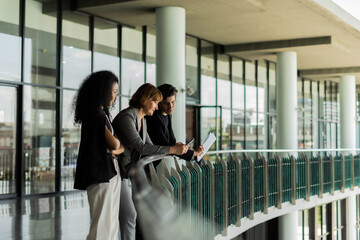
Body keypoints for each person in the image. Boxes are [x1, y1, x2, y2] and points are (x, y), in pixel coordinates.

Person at [112, 83, 189, 240]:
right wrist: (172, 150)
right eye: (155, 102)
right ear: (145, 99)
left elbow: (150, 147)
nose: (156, 106)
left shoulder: (143, 120)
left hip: (128, 173)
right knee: (128, 216)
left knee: (132, 216)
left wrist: (174, 149)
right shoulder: (128, 117)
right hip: (116, 172)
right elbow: (141, 147)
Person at [73, 70, 124, 240]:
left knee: (110, 223)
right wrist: (115, 147)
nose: (115, 96)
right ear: (103, 90)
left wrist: (115, 148)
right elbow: (116, 143)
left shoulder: (103, 114)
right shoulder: (95, 115)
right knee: (102, 225)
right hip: (101, 174)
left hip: (109, 172)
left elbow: (118, 146)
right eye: (114, 91)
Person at [146, 84, 204, 165]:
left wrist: (182, 149)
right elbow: (167, 146)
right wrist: (194, 153)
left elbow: (172, 142)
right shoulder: (154, 118)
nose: (170, 107)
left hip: (152, 163)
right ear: (159, 103)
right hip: (144, 163)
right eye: (166, 103)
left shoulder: (167, 115)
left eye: (173, 102)